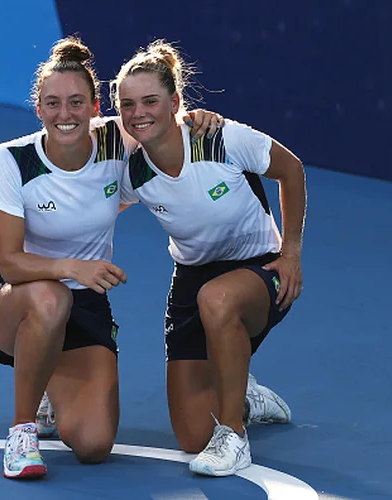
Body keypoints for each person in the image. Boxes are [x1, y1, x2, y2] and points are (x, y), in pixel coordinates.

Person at [0, 36, 223, 479]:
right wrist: (73, 267)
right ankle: (22, 432)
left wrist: (197, 119)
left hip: (84, 304)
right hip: (16, 298)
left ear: (94, 107)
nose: (64, 115)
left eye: (75, 103)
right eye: (52, 103)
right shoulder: (11, 160)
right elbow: (10, 262)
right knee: (51, 300)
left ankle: (50, 379)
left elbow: (162, 122)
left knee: (93, 444)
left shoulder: (115, 141)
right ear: (38, 109)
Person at [113, 40, 307, 477]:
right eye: (128, 105)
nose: (138, 112)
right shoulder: (134, 170)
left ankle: (235, 437)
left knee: (218, 300)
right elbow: (97, 203)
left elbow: (291, 169)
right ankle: (243, 396)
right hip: (191, 278)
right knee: (191, 434)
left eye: (150, 101)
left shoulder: (219, 137)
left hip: (260, 270)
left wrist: (292, 252)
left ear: (176, 102)